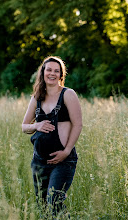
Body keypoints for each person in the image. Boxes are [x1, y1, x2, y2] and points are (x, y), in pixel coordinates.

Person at [22, 56, 83, 217]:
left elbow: (78, 124)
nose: (52, 73)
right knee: (43, 207)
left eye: (57, 71)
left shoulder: (68, 94)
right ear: (43, 72)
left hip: (63, 160)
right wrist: (37, 125)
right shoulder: (37, 97)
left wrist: (67, 151)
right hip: (39, 161)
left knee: (54, 200)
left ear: (61, 75)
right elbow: (24, 126)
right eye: (49, 69)